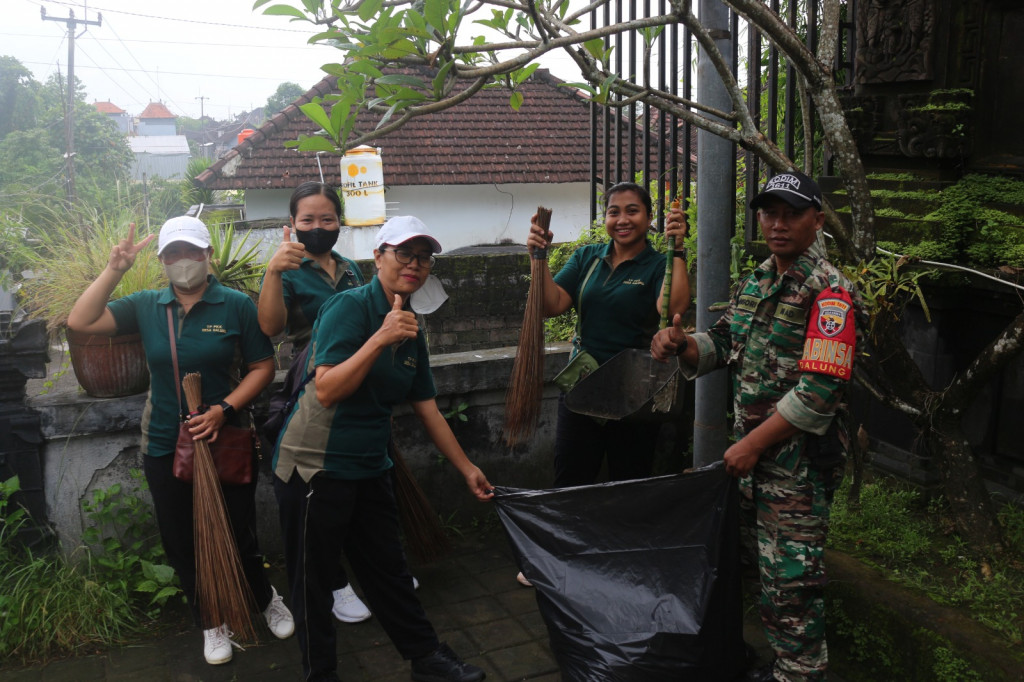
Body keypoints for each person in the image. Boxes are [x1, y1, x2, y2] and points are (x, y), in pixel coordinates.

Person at [651, 171, 860, 682]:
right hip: (751, 465)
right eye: (769, 213)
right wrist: (683, 344)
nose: (778, 224)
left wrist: (749, 445)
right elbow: (725, 341)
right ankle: (776, 665)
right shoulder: (758, 279)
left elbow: (819, 392)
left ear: (817, 219)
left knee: (791, 585)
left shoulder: (830, 293)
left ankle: (800, 673)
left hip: (796, 470)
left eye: (792, 214)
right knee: (753, 571)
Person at [272, 215, 494, 682]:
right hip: (316, 466)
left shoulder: (411, 326)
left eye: (424, 258)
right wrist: (381, 337)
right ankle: (321, 675)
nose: (414, 264)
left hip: (371, 464)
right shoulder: (348, 307)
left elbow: (427, 406)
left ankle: (427, 659)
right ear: (378, 257)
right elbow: (327, 389)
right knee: (313, 582)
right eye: (404, 253)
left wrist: (466, 467)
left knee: (389, 569)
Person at [67, 216, 294, 666]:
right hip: (164, 443)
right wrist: (114, 269)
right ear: (161, 260)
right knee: (181, 539)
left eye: (192, 251)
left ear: (208, 255)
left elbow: (263, 367)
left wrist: (223, 409)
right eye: (173, 253)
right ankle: (210, 620)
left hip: (226, 438)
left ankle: (264, 598)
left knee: (239, 531)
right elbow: (81, 321)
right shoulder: (146, 306)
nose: (183, 260)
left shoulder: (235, 305)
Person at [257, 181, 372, 624]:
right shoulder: (287, 268)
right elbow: (271, 328)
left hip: (357, 381)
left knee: (357, 485)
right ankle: (335, 583)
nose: (318, 227)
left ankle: (372, 569)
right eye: (308, 219)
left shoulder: (350, 268)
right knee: (318, 489)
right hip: (313, 386)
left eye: (327, 218)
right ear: (292, 224)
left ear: (340, 222)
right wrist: (273, 273)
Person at [525, 182, 690, 486]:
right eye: (614, 212)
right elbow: (551, 305)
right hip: (583, 385)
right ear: (606, 219)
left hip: (635, 394)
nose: (622, 220)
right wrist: (539, 258)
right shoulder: (587, 257)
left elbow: (672, 309)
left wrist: (677, 250)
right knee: (571, 480)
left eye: (632, 211)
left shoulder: (657, 264)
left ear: (649, 217)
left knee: (628, 482)